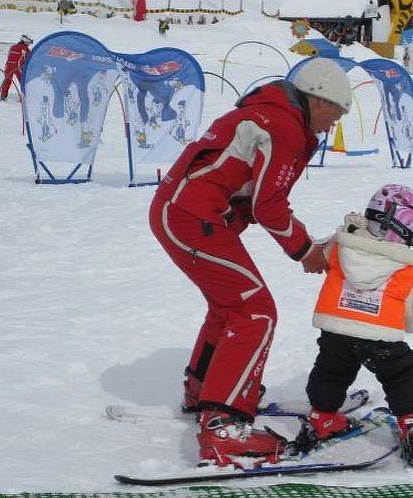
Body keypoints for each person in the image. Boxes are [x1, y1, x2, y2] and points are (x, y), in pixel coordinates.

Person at [148, 58, 352, 465]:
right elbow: (268, 203)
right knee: (256, 311)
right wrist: (305, 251)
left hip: (185, 212)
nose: (335, 123)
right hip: (190, 217)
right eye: (338, 111)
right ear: (320, 99)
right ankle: (223, 425)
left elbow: (256, 196)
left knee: (231, 306)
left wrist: (305, 241)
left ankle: (205, 391)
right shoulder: (285, 126)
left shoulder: (273, 115)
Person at [299, 184, 413, 467]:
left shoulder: (340, 245)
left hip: (336, 330)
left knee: (331, 371)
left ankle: (322, 416)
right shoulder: (407, 268)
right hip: (381, 338)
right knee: (402, 373)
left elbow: (319, 250)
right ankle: (409, 424)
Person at [0, 34, 33, 101]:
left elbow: (9, 56)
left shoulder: (13, 47)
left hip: (8, 66)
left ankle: (3, 96)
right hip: (18, 67)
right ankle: (24, 97)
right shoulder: (25, 49)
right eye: (28, 42)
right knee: (23, 82)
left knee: (7, 81)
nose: (29, 44)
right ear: (24, 41)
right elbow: (28, 59)